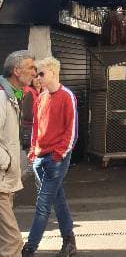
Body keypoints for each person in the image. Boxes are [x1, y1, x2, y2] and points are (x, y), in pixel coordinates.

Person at [22, 57, 78, 257]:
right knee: (56, 199)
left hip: (56, 158)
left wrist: (58, 154)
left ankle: (30, 247)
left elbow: (71, 130)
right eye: (37, 74)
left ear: (53, 72)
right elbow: (37, 127)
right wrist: (33, 150)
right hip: (40, 157)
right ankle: (69, 241)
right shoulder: (41, 98)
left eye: (42, 73)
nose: (38, 77)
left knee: (44, 203)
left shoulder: (67, 96)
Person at [0, 50, 36, 257]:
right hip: (1, 181)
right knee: (13, 243)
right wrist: (6, 161)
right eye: (30, 67)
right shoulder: (2, 97)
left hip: (6, 181)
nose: (34, 72)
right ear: (16, 70)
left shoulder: (14, 96)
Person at [21, 75, 42, 151]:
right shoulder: (29, 93)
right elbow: (27, 115)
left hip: (37, 129)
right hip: (29, 130)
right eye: (35, 77)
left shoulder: (42, 93)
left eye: (39, 77)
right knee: (31, 156)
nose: (37, 80)